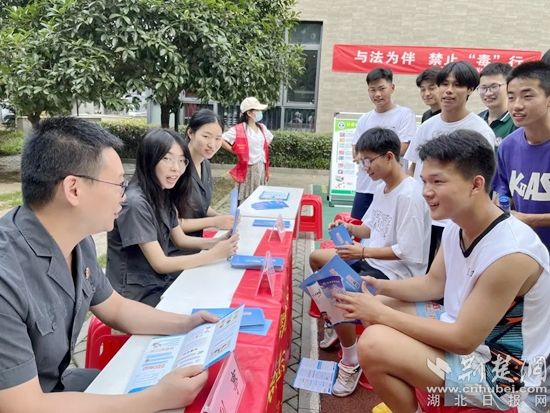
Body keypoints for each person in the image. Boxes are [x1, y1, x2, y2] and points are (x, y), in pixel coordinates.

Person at [0, 117, 219, 411]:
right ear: (73, 189)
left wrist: (187, 324)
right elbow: (23, 406)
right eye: (118, 184)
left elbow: (115, 308)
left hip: (57, 387)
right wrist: (156, 398)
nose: (124, 195)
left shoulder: (79, 240)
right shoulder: (6, 277)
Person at [336, 130, 550, 412]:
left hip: (505, 376)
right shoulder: (456, 227)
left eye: (438, 181)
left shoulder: (511, 253)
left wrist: (378, 313)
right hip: (464, 332)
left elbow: (463, 340)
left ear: (476, 184)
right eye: (424, 181)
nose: (426, 191)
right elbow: (432, 284)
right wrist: (380, 287)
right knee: (381, 303)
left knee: (373, 343)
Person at [309, 127, 431, 397]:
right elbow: (370, 228)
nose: (364, 167)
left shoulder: (409, 195)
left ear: (389, 157)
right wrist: (349, 228)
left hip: (396, 274)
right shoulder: (382, 187)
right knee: (317, 260)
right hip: (371, 260)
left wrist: (362, 252)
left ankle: (351, 360)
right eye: (361, 161)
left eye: (368, 160)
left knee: (335, 289)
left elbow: (407, 252)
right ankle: (339, 325)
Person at [107, 128, 238, 306]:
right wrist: (213, 255)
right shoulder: (135, 203)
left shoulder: (163, 193)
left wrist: (218, 242)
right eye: (167, 159)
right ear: (149, 160)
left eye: (182, 160)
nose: (176, 168)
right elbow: (160, 263)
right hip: (135, 295)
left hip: (157, 283)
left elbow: (180, 239)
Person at [405, 61, 496, 267]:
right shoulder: (427, 127)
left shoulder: (480, 131)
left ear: (470, 90)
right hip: (422, 216)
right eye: (444, 84)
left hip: (456, 221)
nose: (448, 90)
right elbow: (413, 168)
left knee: (447, 275)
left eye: (457, 85)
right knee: (419, 270)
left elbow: (483, 183)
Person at [492, 61, 550, 253]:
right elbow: (503, 191)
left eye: (527, 96)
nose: (516, 105)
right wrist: (501, 204)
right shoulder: (508, 146)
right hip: (524, 250)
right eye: (511, 97)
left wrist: (530, 220)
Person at [350, 67, 417, 220]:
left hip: (393, 188)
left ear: (392, 88)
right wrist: (372, 155)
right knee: (358, 227)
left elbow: (403, 148)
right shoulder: (364, 119)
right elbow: (356, 152)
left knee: (386, 229)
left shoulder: (405, 115)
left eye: (382, 88)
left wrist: (367, 155)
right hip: (365, 187)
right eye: (372, 90)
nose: (377, 94)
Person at [178, 109, 234, 238]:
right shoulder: (177, 168)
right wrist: (215, 221)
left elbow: (199, 205)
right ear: (191, 133)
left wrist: (221, 217)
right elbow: (170, 223)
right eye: (206, 136)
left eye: (218, 138)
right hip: (173, 246)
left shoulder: (205, 164)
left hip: (197, 242)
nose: (212, 144)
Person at [221, 96, 274, 202]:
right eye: (257, 110)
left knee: (259, 198)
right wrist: (234, 150)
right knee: (247, 198)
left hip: (261, 168)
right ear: (249, 113)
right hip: (248, 169)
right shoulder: (239, 129)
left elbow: (269, 138)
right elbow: (221, 140)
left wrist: (261, 147)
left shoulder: (262, 127)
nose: (260, 113)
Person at [478, 62, 517, 146]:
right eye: (483, 88)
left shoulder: (518, 122)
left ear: (510, 86)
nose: (488, 93)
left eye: (494, 87)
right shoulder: (477, 120)